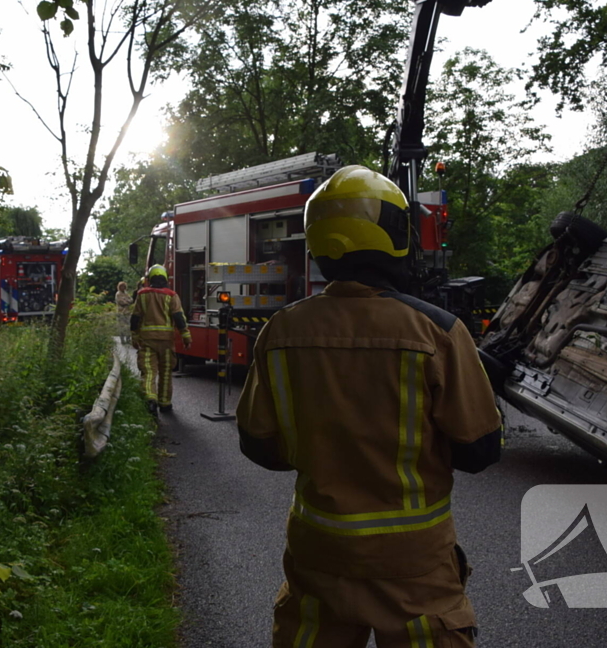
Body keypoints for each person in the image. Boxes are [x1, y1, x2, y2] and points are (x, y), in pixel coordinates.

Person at [235, 165, 502, 648]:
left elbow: (259, 446)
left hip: (318, 556)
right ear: (395, 235)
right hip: (413, 564)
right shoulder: (437, 331)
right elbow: (480, 451)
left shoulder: (280, 332)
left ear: (319, 244)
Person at [131, 264, 192, 415]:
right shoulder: (171, 295)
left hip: (146, 340)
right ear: (165, 278)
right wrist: (186, 336)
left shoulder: (142, 294)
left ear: (150, 278)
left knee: (148, 372)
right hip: (166, 341)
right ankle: (165, 404)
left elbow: (135, 317)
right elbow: (179, 317)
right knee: (165, 372)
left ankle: (150, 400)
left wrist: (134, 336)